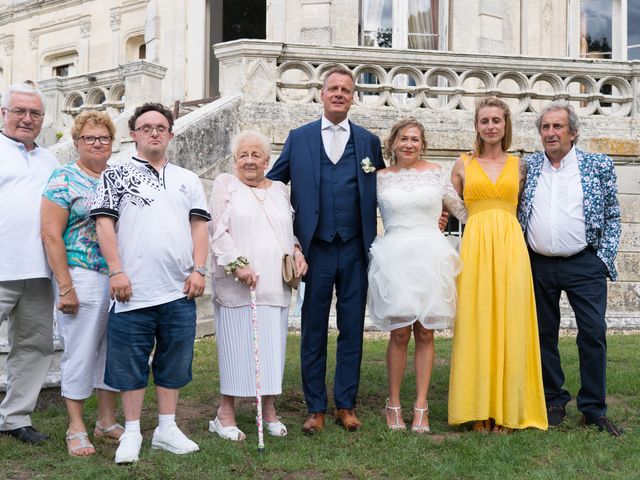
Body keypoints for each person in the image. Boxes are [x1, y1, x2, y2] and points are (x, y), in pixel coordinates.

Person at [90, 103, 211, 463]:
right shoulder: (116, 173)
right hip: (132, 289)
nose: (154, 132)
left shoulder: (187, 179)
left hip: (179, 289)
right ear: (134, 134)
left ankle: (167, 429)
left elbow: (199, 225)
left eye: (161, 127)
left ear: (171, 134)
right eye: (146, 127)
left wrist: (199, 269)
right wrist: (116, 270)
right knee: (129, 364)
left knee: (174, 361)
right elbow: (103, 224)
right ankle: (130, 432)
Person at [268, 67, 385, 433]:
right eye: (332, 88)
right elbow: (271, 186)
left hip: (354, 247)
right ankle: (315, 406)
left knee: (352, 327)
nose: (338, 94)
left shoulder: (368, 142)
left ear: (353, 97)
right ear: (321, 94)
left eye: (345, 90)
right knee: (313, 328)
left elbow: (388, 190)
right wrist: (289, 237)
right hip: (314, 251)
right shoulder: (299, 138)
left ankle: (346, 404)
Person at [518, 101, 622, 436]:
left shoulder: (597, 165)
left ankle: (593, 408)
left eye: (557, 126)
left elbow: (612, 216)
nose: (550, 133)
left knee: (593, 332)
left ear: (573, 131)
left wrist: (602, 259)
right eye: (545, 127)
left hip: (584, 263)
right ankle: (553, 399)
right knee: (543, 334)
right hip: (538, 263)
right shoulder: (528, 166)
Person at [448, 97, 548, 432]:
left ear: (506, 126)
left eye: (496, 121)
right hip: (475, 246)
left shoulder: (521, 166)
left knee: (511, 321)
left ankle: (507, 409)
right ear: (476, 125)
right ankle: (478, 409)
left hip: (510, 246)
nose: (490, 126)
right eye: (484, 120)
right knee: (476, 322)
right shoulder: (462, 164)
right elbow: (448, 211)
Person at [367, 118, 466, 432]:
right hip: (394, 256)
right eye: (403, 139)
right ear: (393, 144)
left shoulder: (436, 173)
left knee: (425, 332)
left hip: (430, 256)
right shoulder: (379, 178)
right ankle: (393, 403)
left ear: (423, 144)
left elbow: (462, 210)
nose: (409, 144)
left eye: (415, 139)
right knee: (399, 333)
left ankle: (421, 406)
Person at [208, 130, 308, 441]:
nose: (250, 161)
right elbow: (217, 230)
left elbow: (286, 231)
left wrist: (298, 251)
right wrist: (238, 264)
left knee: (271, 349)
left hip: (275, 286)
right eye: (243, 155)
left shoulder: (279, 189)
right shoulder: (226, 184)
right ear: (235, 159)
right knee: (237, 349)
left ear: (267, 161)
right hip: (239, 285)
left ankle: (268, 410)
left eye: (256, 156)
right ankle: (224, 414)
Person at [41, 111, 123, 456]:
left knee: (111, 352)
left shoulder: (118, 177)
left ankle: (106, 421)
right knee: (80, 352)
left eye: (103, 138)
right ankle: (75, 426)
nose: (97, 143)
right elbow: (50, 234)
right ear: (76, 142)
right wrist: (65, 286)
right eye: (89, 137)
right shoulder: (63, 178)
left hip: (119, 280)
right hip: (82, 275)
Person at [0, 83, 59, 444]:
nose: (26, 118)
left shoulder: (50, 160)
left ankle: (15, 418)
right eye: (19, 111)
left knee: (34, 346)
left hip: (39, 271)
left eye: (34, 113)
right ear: (2, 113)